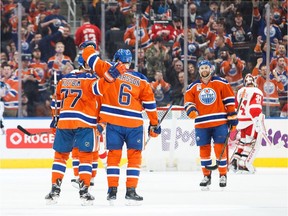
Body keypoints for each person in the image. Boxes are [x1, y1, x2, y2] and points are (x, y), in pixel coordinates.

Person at [45, 41, 127, 206]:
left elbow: (56, 103)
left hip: (65, 122)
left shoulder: (64, 80)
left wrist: (55, 121)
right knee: (85, 157)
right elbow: (102, 87)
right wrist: (112, 75)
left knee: (60, 157)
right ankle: (84, 191)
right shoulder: (90, 80)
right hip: (85, 123)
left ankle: (54, 190)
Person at [87, 49, 160, 205]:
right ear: (130, 62)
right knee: (134, 157)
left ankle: (112, 191)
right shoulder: (141, 79)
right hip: (134, 123)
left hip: (113, 122)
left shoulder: (108, 69)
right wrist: (154, 123)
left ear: (115, 59)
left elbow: (90, 59)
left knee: (113, 157)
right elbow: (150, 104)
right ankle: (131, 191)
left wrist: (89, 47)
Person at [184, 60, 237, 190]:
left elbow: (230, 100)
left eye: (206, 67)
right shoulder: (192, 87)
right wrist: (191, 110)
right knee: (204, 151)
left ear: (211, 69)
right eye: (202, 68)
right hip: (202, 123)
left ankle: (223, 175)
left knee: (220, 149)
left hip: (219, 122)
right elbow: (188, 101)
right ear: (199, 70)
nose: (204, 70)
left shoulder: (221, 83)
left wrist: (232, 117)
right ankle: (206, 176)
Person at [228, 74, 264, 174]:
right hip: (250, 120)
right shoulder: (257, 91)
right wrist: (256, 121)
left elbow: (235, 107)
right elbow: (254, 108)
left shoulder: (240, 91)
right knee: (249, 142)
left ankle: (235, 161)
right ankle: (243, 164)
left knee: (242, 141)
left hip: (240, 120)